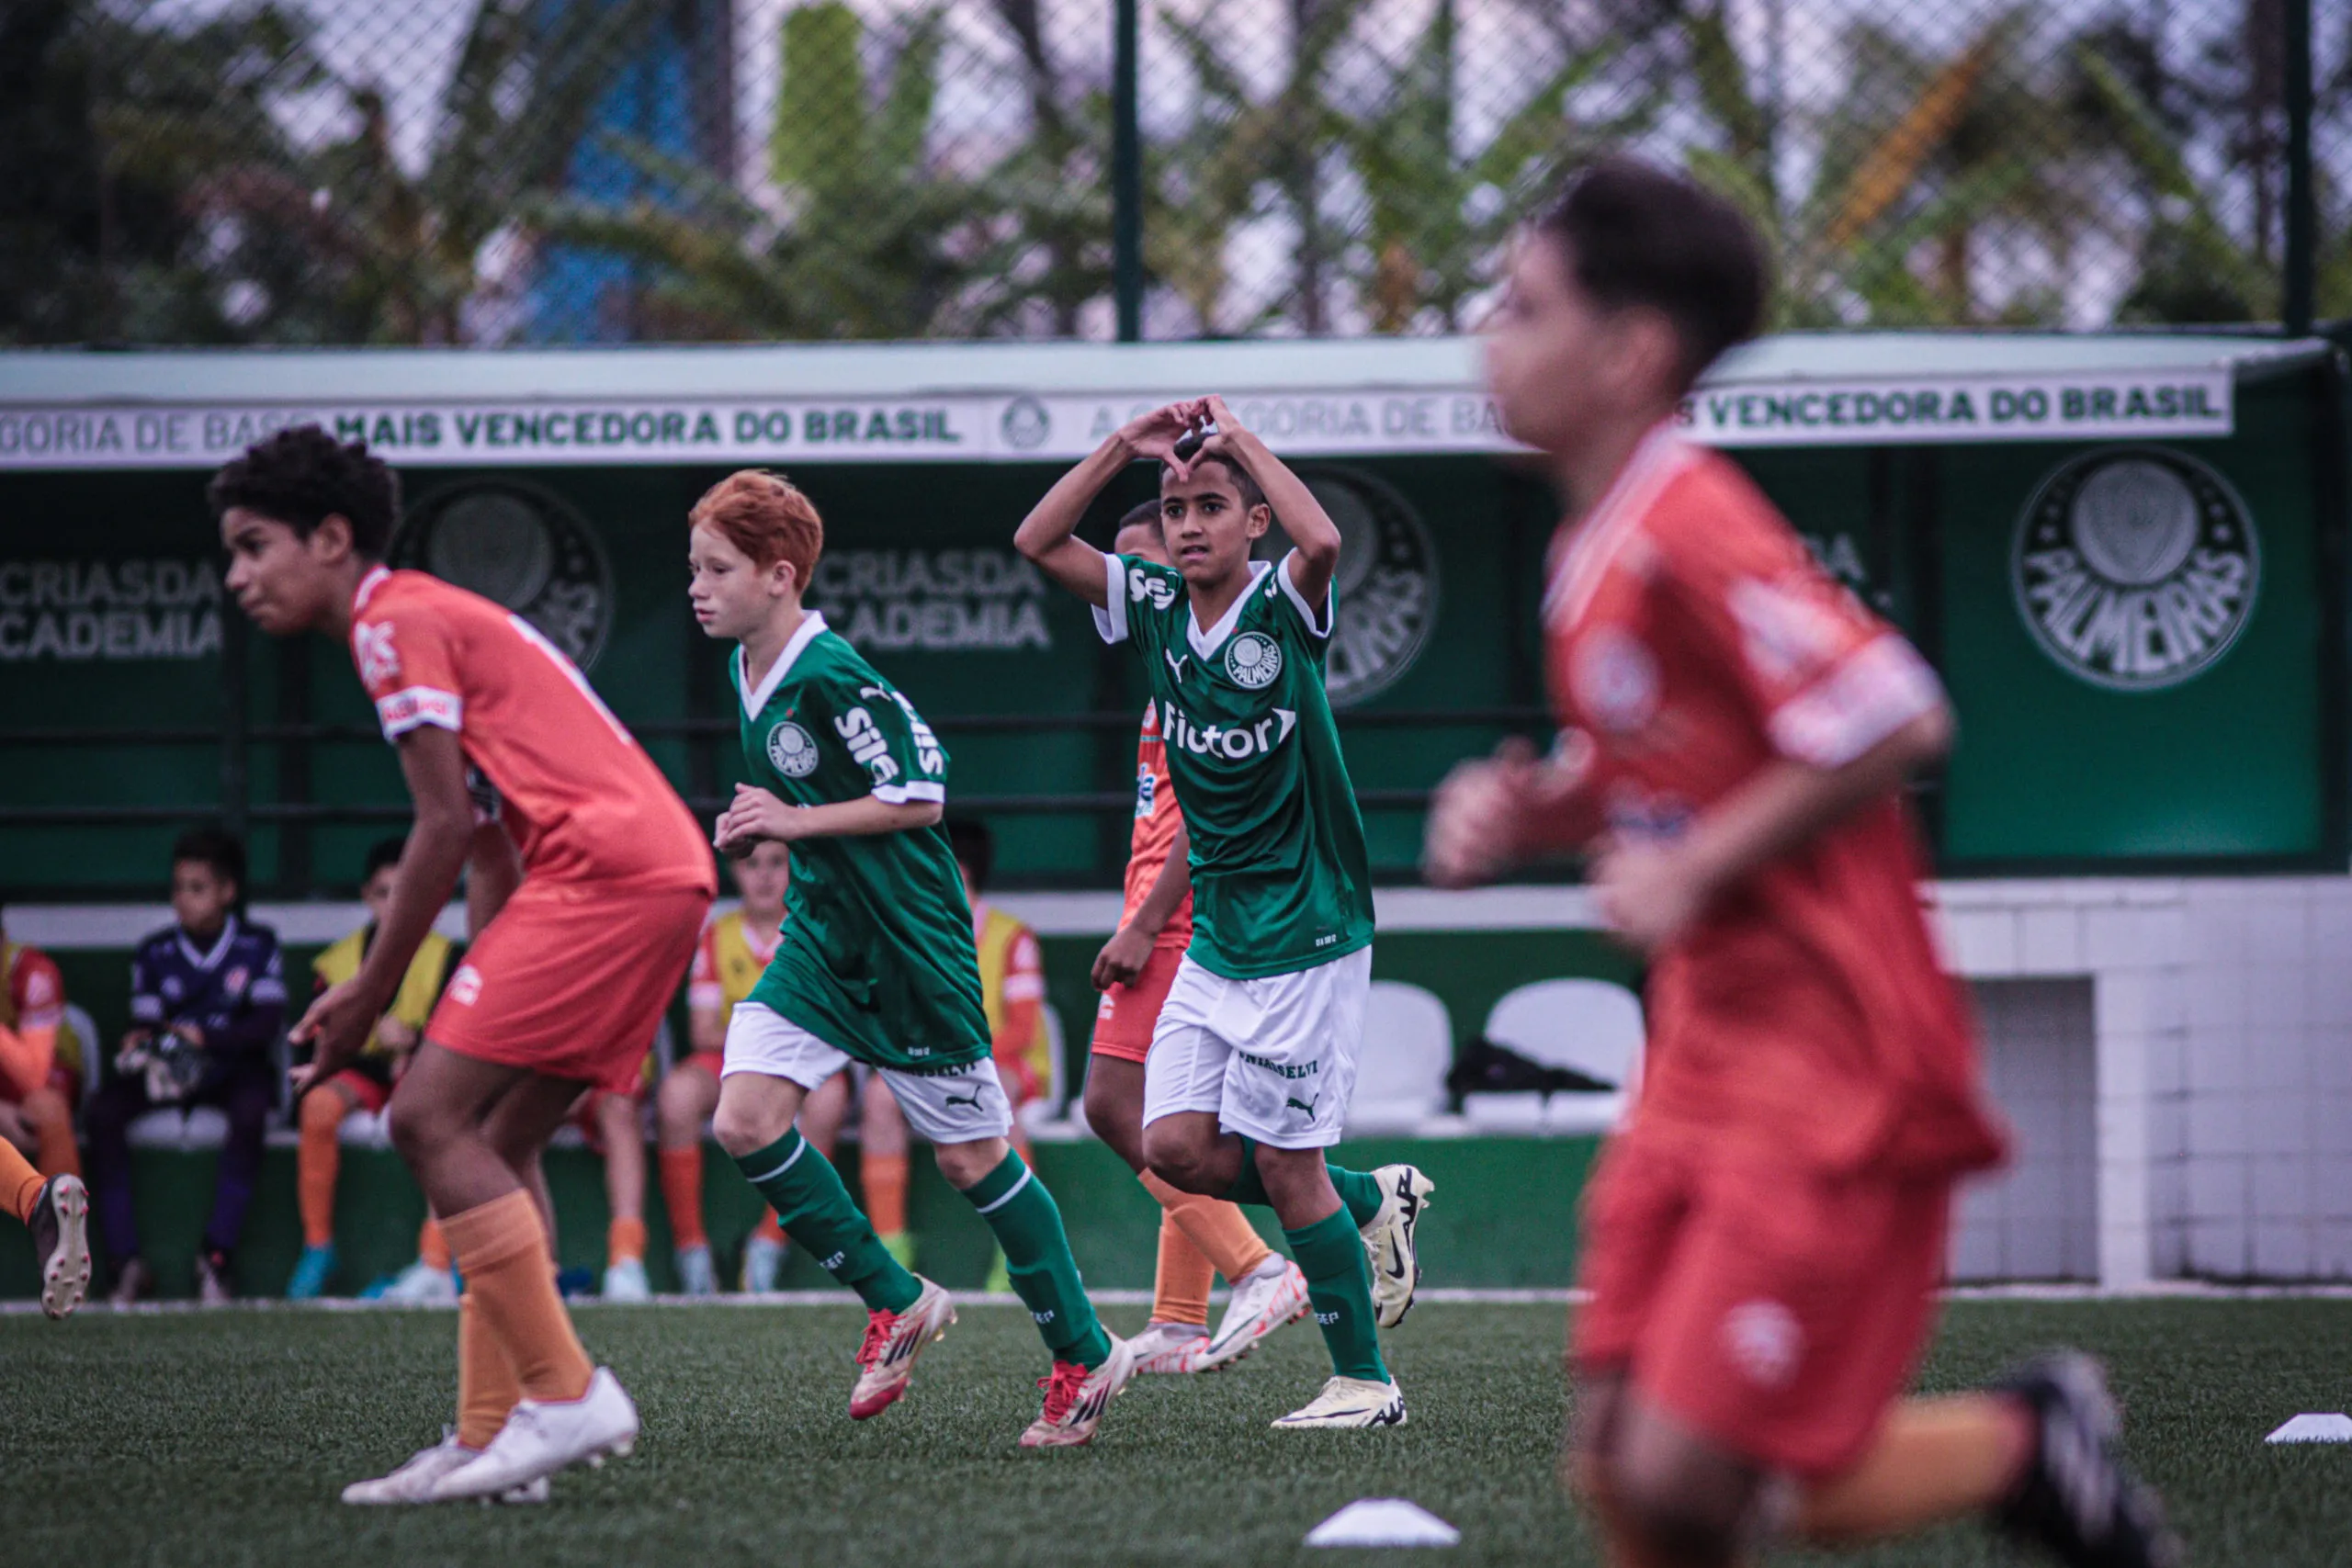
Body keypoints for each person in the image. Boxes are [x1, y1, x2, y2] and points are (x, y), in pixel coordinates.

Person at [1425, 154, 2177, 1568]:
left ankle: (2023, 1440)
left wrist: (1694, 868)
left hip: (1823, 1053)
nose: (1488, 334)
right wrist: (1537, 810)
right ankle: (2025, 1445)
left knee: (1687, 1470)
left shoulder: (1689, 519)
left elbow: (1894, 709)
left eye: (1521, 305)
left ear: (1630, 348)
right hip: (1708, 1046)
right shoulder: (1597, 541)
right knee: (1622, 1457)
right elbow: (1661, 768)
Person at [217, 425, 714, 1504]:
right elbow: (487, 837)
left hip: (609, 875)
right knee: (494, 1132)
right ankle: (499, 1441)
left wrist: (370, 993)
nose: (238, 575)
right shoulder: (426, 620)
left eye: (255, 546)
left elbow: (436, 827)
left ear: (331, 537)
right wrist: (475, 982)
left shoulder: (390, 623)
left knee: (419, 1118)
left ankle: (565, 1390)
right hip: (652, 873)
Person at [688, 468, 1134, 1448]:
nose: (697, 586)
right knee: (744, 1118)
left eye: (716, 568)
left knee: (974, 1159)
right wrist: (767, 826)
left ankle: (1084, 1353)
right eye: (694, 567)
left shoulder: (831, 671)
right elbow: (804, 814)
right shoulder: (746, 669)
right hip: (821, 938)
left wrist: (793, 820)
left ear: (779, 574)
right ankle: (897, 1299)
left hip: (910, 947)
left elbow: (922, 792)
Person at [1015, 398, 1433, 1430]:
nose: (1191, 522)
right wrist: (1123, 446)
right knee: (1171, 1146)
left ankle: (1365, 1384)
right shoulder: (1153, 603)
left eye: (1213, 506)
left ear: (1253, 525)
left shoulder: (1283, 605)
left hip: (1306, 929)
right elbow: (1035, 541)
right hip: (1218, 935)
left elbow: (1324, 539)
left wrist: (1238, 439)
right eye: (1176, 507)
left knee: (1284, 1165)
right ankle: (1366, 1202)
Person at [1081, 502, 1308, 1377]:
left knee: (1114, 1105)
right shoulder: (1167, 663)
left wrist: (1141, 923)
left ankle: (1260, 1264)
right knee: (1171, 1118)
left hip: (1178, 918)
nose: (1137, 580)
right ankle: (1179, 1317)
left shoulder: (1209, 666)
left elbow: (1207, 815)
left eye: (1150, 564)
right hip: (1172, 911)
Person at [85, 829, 286, 1305]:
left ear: (227, 892)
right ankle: (124, 1262)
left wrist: (206, 1038)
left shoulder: (258, 946)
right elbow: (148, 1020)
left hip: (234, 1070)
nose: (183, 899)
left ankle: (217, 1256)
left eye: (197, 888)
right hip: (170, 1071)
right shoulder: (155, 951)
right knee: (102, 1113)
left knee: (252, 1110)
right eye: (178, 888)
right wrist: (144, 1039)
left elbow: (266, 1023)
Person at [288, 836, 461, 1299]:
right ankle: (318, 1248)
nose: (395, 905)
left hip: (423, 1076)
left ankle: (437, 1256)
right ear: (367, 896)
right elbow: (311, 1043)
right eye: (385, 893)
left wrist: (415, 1041)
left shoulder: (446, 955)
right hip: (361, 1073)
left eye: (406, 892)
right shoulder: (338, 960)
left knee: (435, 1114)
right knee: (318, 1105)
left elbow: (467, 1042)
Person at [662, 841, 793, 1294]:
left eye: (777, 863)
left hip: (794, 1067)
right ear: (734, 872)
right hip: (731, 1062)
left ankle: (769, 1245)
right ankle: (691, 1250)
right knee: (676, 1094)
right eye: (751, 864)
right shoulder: (718, 935)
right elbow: (701, 1031)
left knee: (829, 1098)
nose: (765, 876)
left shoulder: (810, 933)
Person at [944, 817, 1038, 1295]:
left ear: (959, 871)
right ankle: (891, 1245)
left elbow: (1022, 1030)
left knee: (998, 1095)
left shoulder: (1011, 936)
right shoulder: (919, 933)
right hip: (937, 1067)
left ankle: (1017, 1253)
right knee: (880, 1101)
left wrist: (963, 1057)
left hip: (1003, 1066)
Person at [0, 906, 91, 1318]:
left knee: (47, 1109)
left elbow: (34, 1074)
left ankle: (62, 1238)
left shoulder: (31, 970)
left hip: (43, 1082)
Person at [576, 1052, 653, 1301]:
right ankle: (536, 1269)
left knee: (619, 1104)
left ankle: (626, 1258)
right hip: (537, 1068)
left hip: (605, 1067)